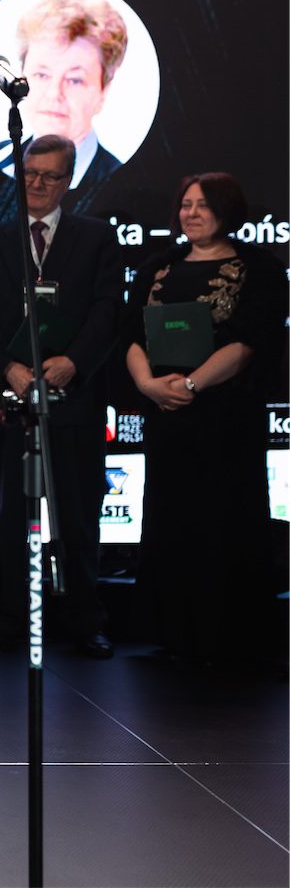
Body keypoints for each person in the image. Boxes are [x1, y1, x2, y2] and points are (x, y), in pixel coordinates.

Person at [0, 134, 123, 660]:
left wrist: (73, 361)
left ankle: (86, 620)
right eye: (30, 173)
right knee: (8, 516)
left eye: (50, 176)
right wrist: (8, 368)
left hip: (74, 398)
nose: (37, 184)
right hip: (8, 401)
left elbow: (107, 311)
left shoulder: (96, 238)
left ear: (68, 181)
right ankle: (6, 619)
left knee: (78, 515)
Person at [123, 173, 286, 666]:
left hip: (226, 416)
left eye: (203, 205)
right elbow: (130, 336)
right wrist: (149, 385)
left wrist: (192, 385)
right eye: (185, 205)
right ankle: (174, 633)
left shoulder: (260, 268)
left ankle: (228, 636)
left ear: (227, 210)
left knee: (224, 519)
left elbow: (249, 341)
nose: (191, 213)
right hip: (167, 415)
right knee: (171, 518)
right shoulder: (157, 266)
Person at [0, 0, 129, 205]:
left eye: (74, 80)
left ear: (104, 91)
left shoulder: (121, 180)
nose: (54, 94)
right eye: (42, 75)